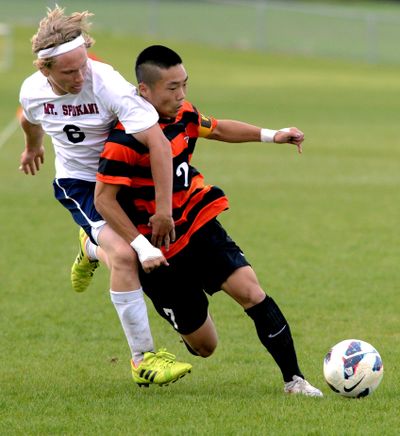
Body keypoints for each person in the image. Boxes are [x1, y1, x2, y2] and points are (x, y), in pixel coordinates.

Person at [94, 45, 323, 396]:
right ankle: (95, 250)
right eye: (172, 88)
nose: (181, 94)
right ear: (145, 91)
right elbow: (104, 201)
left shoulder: (183, 113)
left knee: (251, 291)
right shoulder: (124, 140)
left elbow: (215, 129)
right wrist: (139, 245)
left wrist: (271, 134)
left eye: (184, 84)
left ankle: (294, 380)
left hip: (196, 222)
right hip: (158, 250)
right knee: (205, 346)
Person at [18, 7, 192, 387]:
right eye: (68, 72)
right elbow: (29, 119)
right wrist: (33, 149)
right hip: (79, 183)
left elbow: (159, 144)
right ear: (44, 69)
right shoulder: (31, 90)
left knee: (127, 251)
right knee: (126, 254)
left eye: (83, 66)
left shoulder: (108, 83)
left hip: (122, 180)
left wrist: (164, 211)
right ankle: (143, 359)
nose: (80, 77)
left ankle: (90, 247)